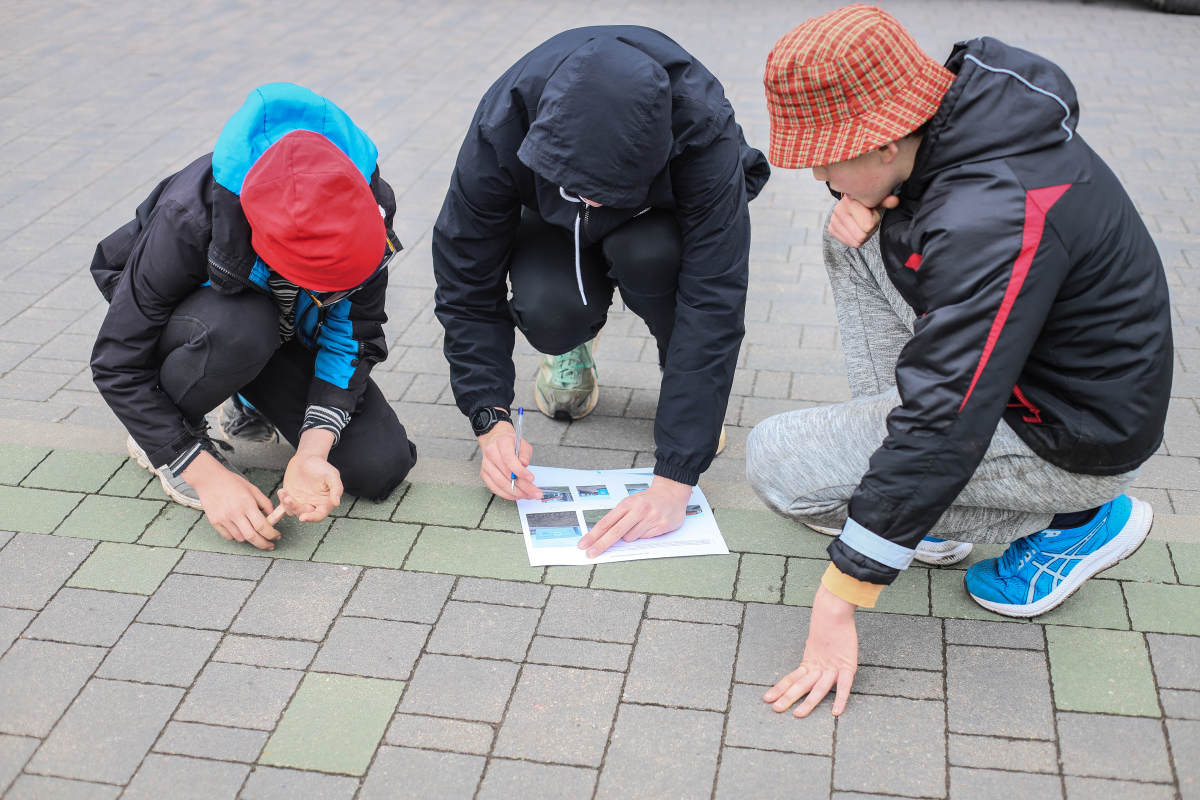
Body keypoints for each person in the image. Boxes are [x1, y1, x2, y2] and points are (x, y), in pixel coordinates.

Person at [746, 5, 1171, 718]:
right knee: (848, 234)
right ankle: (916, 497)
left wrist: (842, 597)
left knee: (776, 464)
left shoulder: (989, 216)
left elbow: (947, 414)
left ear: (885, 142)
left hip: (1073, 434)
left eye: (827, 152)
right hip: (1028, 378)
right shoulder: (967, 112)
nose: (816, 168)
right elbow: (953, 355)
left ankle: (1080, 520)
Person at [433, 26, 770, 554]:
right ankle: (571, 350)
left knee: (657, 258)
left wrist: (677, 475)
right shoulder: (504, 122)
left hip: (650, 224)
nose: (590, 206)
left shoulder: (705, 133)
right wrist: (489, 418)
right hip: (548, 222)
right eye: (579, 190)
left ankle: (679, 376)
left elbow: (715, 299)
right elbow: (465, 281)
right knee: (548, 309)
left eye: (599, 195)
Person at [90, 83, 417, 551]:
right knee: (242, 326)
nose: (334, 295)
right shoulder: (189, 215)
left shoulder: (364, 202)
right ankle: (164, 435)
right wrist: (204, 475)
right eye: (323, 285)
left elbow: (354, 334)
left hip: (276, 327)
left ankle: (242, 391)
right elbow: (115, 363)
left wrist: (312, 450)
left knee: (378, 466)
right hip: (209, 324)